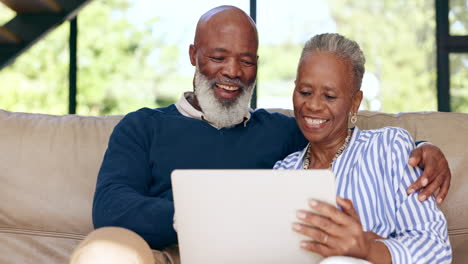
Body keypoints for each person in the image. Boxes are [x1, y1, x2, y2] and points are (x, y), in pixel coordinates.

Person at [72, 5, 451, 264]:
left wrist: (422, 146)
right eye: (218, 57)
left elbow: (338, 130)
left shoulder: (282, 136)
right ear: (193, 54)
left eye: (246, 60)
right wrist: (212, 215)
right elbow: (110, 209)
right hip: (165, 254)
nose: (233, 71)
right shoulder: (143, 127)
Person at [274, 33, 452, 263]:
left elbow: (436, 249)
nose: (313, 105)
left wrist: (368, 249)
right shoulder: (283, 171)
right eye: (305, 92)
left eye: (329, 96)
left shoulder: (389, 149)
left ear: (355, 103)